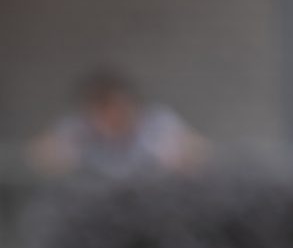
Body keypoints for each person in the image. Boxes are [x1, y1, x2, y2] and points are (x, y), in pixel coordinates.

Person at [29, 68, 203, 179]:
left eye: (118, 107)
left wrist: (181, 156)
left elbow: (198, 151)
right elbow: (40, 156)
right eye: (103, 109)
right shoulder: (79, 128)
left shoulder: (155, 122)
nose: (113, 116)